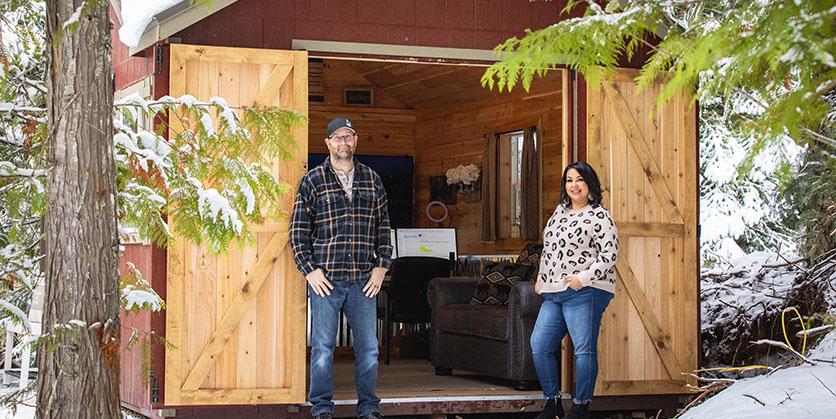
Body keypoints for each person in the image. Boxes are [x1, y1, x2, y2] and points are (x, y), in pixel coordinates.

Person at [290, 117, 392, 419]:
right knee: (322, 348)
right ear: (328, 143)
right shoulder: (313, 181)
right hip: (327, 280)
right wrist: (310, 270)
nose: (343, 143)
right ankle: (321, 409)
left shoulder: (373, 180)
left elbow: (384, 228)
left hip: (364, 280)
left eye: (348, 137)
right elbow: (297, 232)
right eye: (337, 137)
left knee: (369, 349)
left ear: (356, 141)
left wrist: (381, 267)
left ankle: (369, 409)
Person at [530, 161, 618, 419]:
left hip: (586, 291)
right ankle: (552, 403)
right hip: (554, 291)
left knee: (584, 350)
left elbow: (609, 254)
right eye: (569, 180)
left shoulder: (599, 215)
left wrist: (584, 278)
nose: (574, 185)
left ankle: (581, 406)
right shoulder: (559, 211)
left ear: (590, 184)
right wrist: (541, 278)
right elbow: (549, 249)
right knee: (539, 345)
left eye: (579, 179)